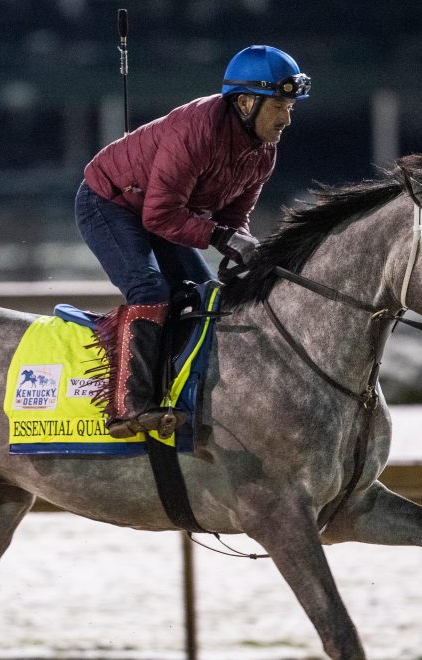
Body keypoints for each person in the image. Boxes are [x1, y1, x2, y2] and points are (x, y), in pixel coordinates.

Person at [76, 45, 310, 438]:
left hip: (163, 212)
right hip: (110, 203)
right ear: (247, 102)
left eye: (290, 107)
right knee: (151, 290)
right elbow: (159, 217)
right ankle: (126, 408)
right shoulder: (196, 131)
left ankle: (183, 393)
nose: (287, 118)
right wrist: (223, 237)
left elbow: (233, 221)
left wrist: (250, 251)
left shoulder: (263, 153)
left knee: (206, 296)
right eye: (279, 106)